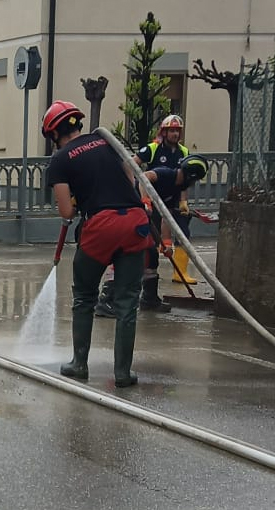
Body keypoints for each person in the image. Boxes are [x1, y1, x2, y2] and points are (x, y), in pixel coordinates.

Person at [43, 100, 154, 388]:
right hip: (134, 222)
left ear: (54, 133)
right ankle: (122, 373)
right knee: (128, 301)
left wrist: (80, 198)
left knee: (84, 297)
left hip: (101, 226)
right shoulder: (105, 141)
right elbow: (131, 175)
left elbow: (67, 212)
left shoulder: (60, 160)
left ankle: (79, 364)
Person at [95, 113, 191, 317]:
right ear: (164, 132)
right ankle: (107, 298)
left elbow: (184, 183)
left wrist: (182, 202)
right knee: (130, 250)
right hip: (144, 204)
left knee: (151, 255)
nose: (174, 134)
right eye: (171, 130)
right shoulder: (153, 149)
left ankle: (149, 298)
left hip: (165, 205)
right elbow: (130, 165)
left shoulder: (183, 153)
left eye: (177, 131)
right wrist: (141, 196)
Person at [143, 154, 209, 286]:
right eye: (194, 181)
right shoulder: (166, 174)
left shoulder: (176, 189)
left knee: (152, 257)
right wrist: (145, 200)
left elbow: (167, 216)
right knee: (143, 250)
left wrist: (166, 242)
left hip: (151, 214)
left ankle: (149, 297)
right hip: (132, 209)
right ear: (190, 177)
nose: (192, 185)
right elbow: (144, 177)